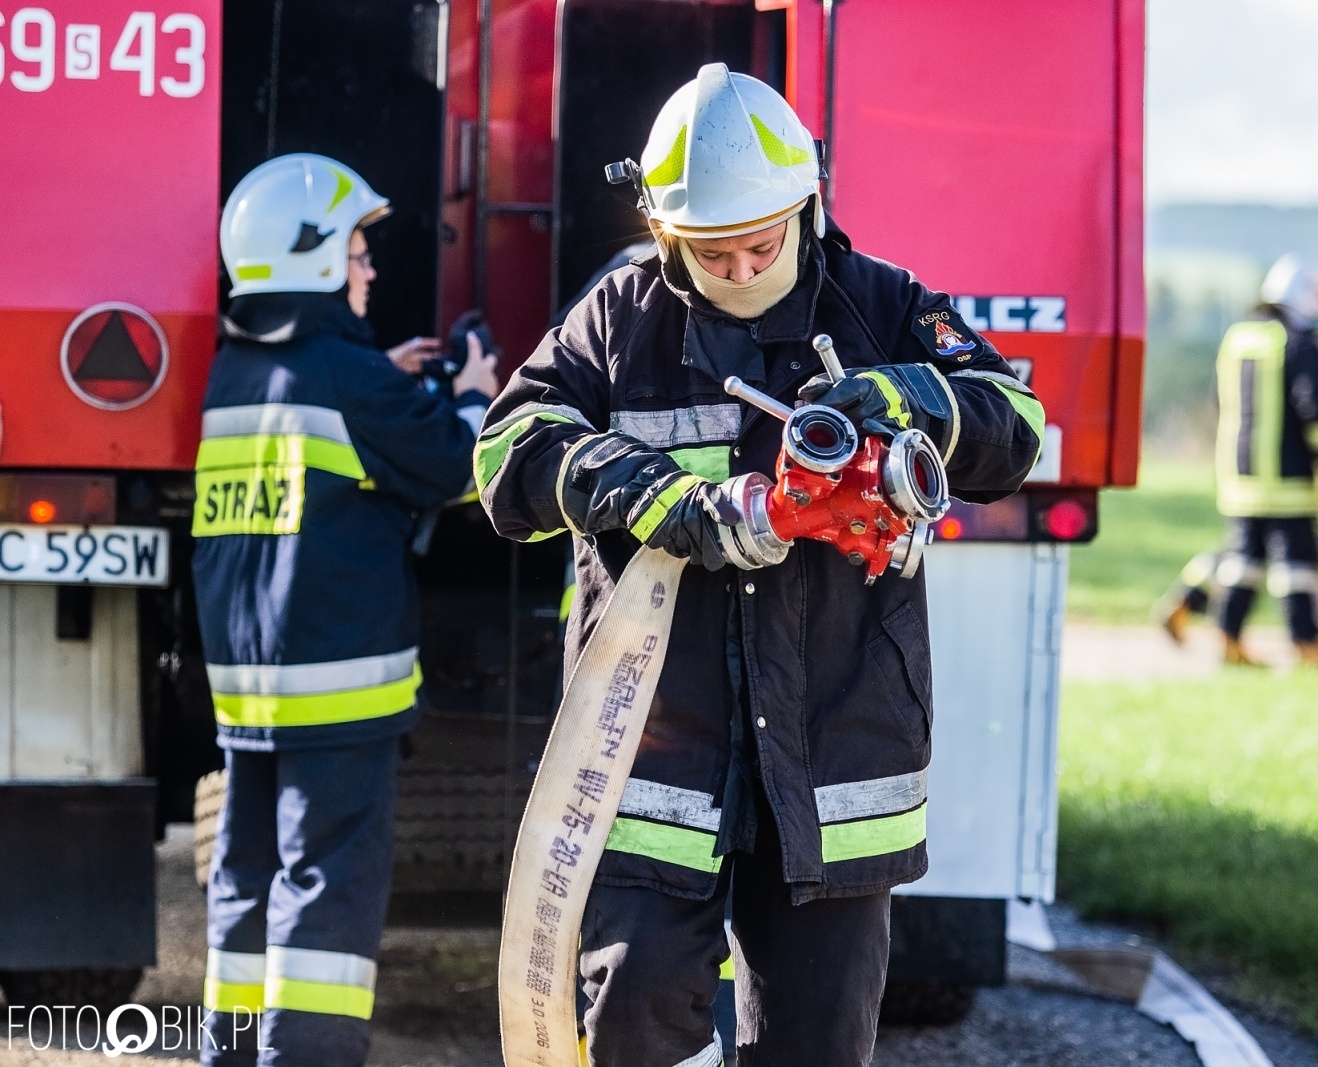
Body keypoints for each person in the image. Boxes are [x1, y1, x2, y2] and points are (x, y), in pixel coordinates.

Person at [474, 64, 1042, 1067]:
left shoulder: (881, 305)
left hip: (833, 765)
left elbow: (1021, 426)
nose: (736, 269)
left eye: (758, 243)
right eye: (708, 249)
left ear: (804, 206)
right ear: (663, 229)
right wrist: (668, 504)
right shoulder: (617, 321)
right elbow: (506, 452)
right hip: (654, 768)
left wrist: (910, 396)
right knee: (634, 1028)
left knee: (815, 1047)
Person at [191, 153, 499, 1067]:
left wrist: (389, 374)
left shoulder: (238, 370)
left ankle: (234, 1053)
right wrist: (476, 389)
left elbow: (340, 423)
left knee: (245, 881)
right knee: (328, 893)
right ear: (315, 258)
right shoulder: (352, 378)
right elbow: (455, 464)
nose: (369, 267)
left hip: (248, 694)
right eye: (358, 249)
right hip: (338, 693)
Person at [1159, 253, 1318, 667]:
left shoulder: (1238, 339)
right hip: (1288, 476)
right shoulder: (1300, 342)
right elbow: (1315, 408)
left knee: (1244, 560)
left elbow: (1218, 400)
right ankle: (1306, 643)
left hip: (1239, 474)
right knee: (1297, 562)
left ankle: (1226, 636)